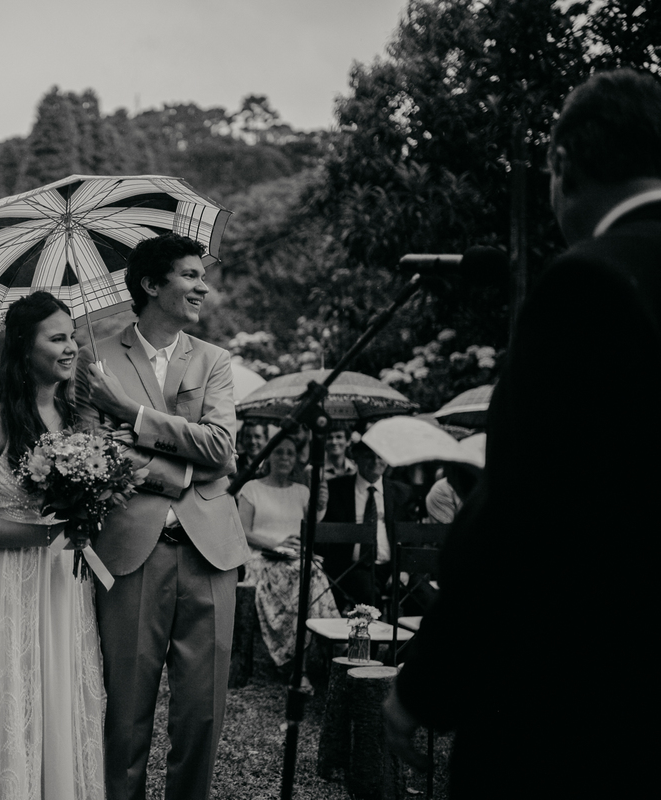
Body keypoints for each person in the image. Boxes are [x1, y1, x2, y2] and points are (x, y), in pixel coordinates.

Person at [384, 69, 661, 799]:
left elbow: (522, 506)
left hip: (587, 698)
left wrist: (423, 685)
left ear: (563, 167)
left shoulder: (589, 283)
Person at [74, 233, 248, 800]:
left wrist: (131, 414)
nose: (204, 286)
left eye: (203, 275)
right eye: (190, 275)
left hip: (211, 552)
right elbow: (92, 454)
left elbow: (222, 447)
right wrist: (180, 466)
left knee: (202, 715)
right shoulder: (95, 359)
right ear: (151, 284)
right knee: (125, 711)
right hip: (130, 549)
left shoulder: (215, 360)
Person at [0, 291, 105, 799]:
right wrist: (48, 534)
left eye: (73, 335)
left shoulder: (79, 417)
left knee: (59, 693)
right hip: (7, 582)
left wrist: (86, 516)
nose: (71, 346)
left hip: (62, 584)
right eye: (57, 337)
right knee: (12, 691)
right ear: (23, 345)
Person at [238, 437, 338, 683]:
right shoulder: (252, 488)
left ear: (295, 460)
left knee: (311, 571)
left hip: (296, 561)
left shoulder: (302, 491)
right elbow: (242, 530)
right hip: (261, 559)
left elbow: (312, 529)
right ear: (269, 457)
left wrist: (321, 504)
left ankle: (305, 664)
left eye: (290, 453)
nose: (284, 457)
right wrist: (276, 544)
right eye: (279, 452)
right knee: (308, 574)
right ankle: (328, 650)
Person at [316, 440, 417, 611]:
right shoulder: (336, 489)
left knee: (425, 596)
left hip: (394, 567)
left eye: (380, 457)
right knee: (368, 594)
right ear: (356, 458)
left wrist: (404, 570)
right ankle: (370, 638)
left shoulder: (402, 492)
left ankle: (411, 638)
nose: (376, 461)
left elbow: (412, 537)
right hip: (353, 568)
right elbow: (324, 534)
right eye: (369, 456)